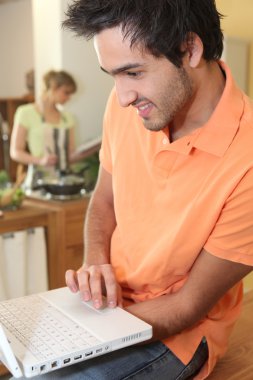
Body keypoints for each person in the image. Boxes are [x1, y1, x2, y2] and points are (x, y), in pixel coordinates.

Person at [26, 1, 253, 379]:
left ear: (190, 49)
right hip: (103, 313)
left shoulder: (248, 159)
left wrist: (77, 335)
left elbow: (186, 307)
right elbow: (103, 200)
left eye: (133, 72)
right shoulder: (129, 108)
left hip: (174, 337)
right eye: (113, 76)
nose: (122, 97)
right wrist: (96, 262)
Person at [10, 70, 78, 189]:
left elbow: (71, 153)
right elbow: (15, 152)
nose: (69, 98)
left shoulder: (68, 118)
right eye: (66, 92)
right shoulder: (25, 113)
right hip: (37, 181)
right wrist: (40, 161)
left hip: (63, 181)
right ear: (53, 88)